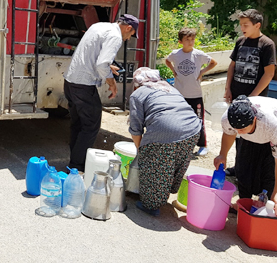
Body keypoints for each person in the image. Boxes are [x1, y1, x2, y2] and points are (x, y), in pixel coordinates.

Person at [63, 14, 139, 171]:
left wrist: (108, 67)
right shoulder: (116, 36)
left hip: (70, 81)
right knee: (90, 126)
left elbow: (91, 54)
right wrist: (111, 82)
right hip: (84, 85)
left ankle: (75, 163)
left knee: (78, 124)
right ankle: (76, 167)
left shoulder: (98, 26)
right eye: (131, 34)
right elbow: (102, 63)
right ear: (128, 28)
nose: (128, 38)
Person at [128, 67, 201, 216]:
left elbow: (135, 130)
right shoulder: (170, 88)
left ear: (137, 82)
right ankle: (166, 191)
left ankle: (151, 204)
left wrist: (141, 151)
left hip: (166, 129)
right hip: (193, 128)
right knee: (174, 160)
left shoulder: (138, 94)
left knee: (155, 162)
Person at [214, 95, 277, 216]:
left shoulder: (272, 125)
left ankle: (266, 210)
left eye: (242, 129)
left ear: (254, 120)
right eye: (236, 129)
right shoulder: (229, 118)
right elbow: (229, 133)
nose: (239, 133)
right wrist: (222, 154)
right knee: (244, 165)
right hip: (258, 127)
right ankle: (243, 204)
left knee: (269, 171)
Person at [224, 9, 277, 177]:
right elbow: (232, 66)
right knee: (235, 131)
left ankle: (246, 171)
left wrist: (253, 97)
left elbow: (269, 74)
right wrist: (227, 88)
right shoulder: (240, 41)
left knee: (249, 135)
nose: (242, 28)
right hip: (236, 95)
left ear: (257, 25)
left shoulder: (267, 44)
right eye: (241, 25)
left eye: (245, 25)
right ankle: (238, 168)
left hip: (255, 99)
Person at [166, 27, 217, 156]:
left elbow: (213, 62)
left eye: (192, 39)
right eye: (187, 39)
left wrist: (202, 72)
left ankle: (202, 145)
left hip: (195, 94)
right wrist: (173, 71)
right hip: (179, 94)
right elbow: (167, 60)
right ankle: (178, 143)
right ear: (180, 41)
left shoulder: (198, 54)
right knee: (178, 119)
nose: (190, 42)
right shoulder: (176, 54)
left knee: (199, 120)